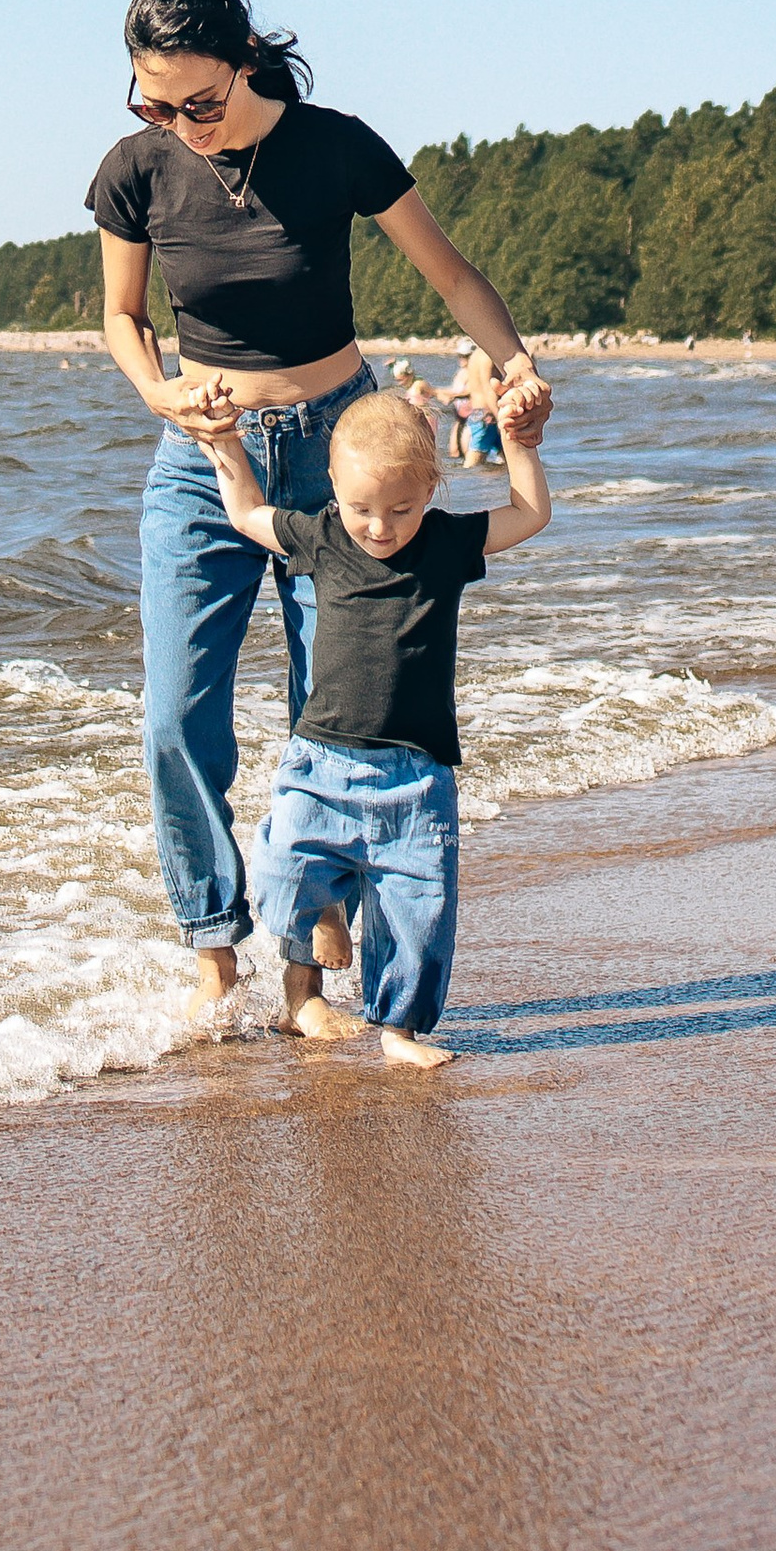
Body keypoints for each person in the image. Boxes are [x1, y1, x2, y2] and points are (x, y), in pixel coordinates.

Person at [91, 0, 553, 1019]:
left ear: (246, 63)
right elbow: (124, 319)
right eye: (152, 102)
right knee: (173, 716)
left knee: (336, 710)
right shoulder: (133, 170)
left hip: (340, 450)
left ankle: (310, 934)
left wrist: (514, 361)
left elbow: (452, 275)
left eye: (197, 103)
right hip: (205, 463)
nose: (178, 123)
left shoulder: (333, 143)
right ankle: (213, 934)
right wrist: (163, 395)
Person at [203, 380, 551, 1064]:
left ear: (431, 488)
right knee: (279, 874)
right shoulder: (324, 536)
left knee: (419, 917)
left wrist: (517, 442)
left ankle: (398, 1031)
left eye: (400, 507)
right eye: (362, 507)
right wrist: (222, 440)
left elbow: (529, 511)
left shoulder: (447, 543)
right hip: (320, 760)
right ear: (332, 484)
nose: (380, 526)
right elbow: (246, 511)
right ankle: (326, 907)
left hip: (417, 776)